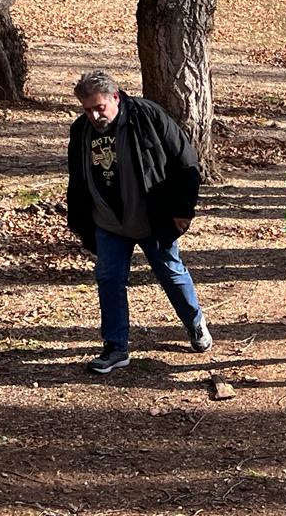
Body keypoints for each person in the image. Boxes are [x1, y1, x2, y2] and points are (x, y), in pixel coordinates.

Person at [66, 71, 211, 374]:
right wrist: (80, 222)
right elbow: (77, 179)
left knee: (171, 273)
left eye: (99, 107)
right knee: (109, 279)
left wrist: (183, 210)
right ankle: (116, 347)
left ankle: (195, 322)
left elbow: (186, 163)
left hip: (152, 219)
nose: (94, 115)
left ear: (115, 97)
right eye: (87, 109)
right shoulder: (80, 131)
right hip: (108, 223)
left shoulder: (147, 116)